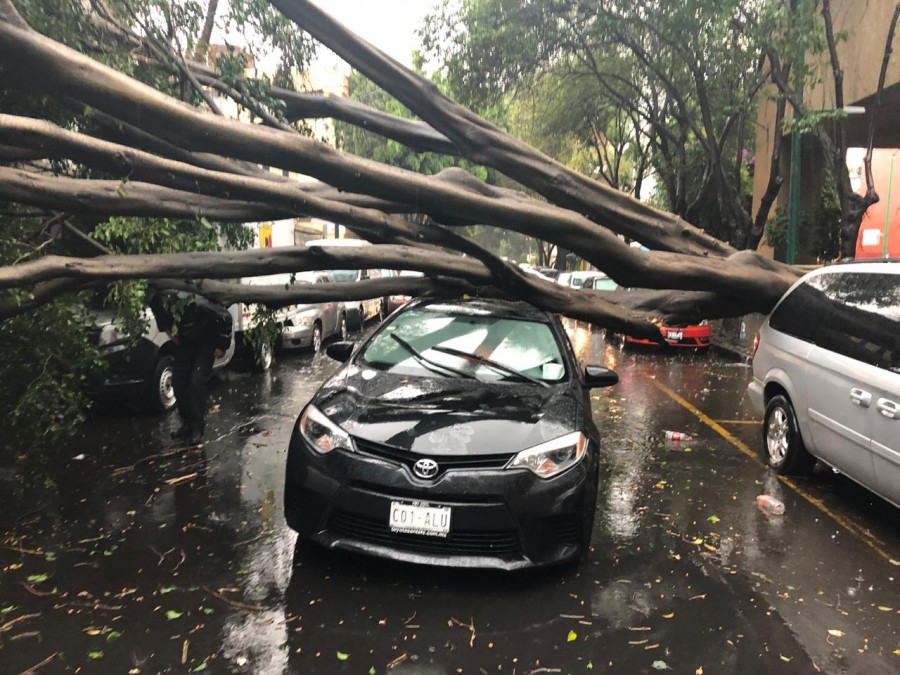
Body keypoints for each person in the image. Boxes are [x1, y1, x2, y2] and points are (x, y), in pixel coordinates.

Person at [149, 291, 233, 445]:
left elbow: (226, 318)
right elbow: (162, 318)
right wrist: (171, 335)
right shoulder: (167, 302)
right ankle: (187, 424)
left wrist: (222, 346)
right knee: (178, 382)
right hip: (185, 345)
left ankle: (197, 429)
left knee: (196, 382)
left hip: (205, 345)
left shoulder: (200, 303)